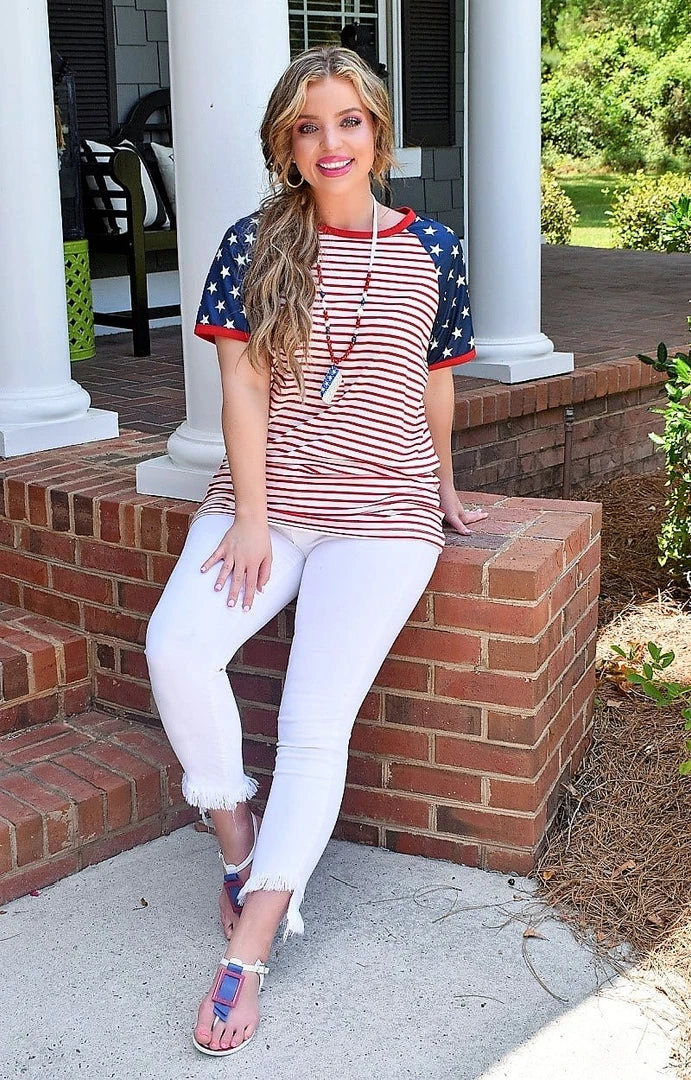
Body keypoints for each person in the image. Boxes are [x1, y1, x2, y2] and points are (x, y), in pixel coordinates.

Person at [145, 44, 487, 1057]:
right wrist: (251, 518)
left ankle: (251, 945)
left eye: (347, 121)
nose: (329, 142)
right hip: (268, 500)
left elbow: (433, 381)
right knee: (176, 648)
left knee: (311, 720)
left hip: (382, 512)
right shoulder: (253, 243)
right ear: (284, 144)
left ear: (377, 131)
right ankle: (236, 837)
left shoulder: (433, 248)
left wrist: (444, 480)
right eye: (307, 126)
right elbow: (241, 387)